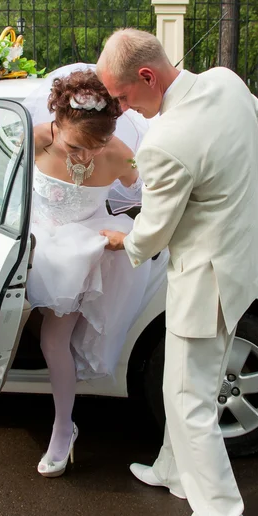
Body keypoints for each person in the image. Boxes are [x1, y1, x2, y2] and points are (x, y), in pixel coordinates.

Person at [96, 29, 258, 516]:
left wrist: (124, 241)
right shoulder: (226, 82)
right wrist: (229, 189)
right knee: (182, 386)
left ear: (147, 77)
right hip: (238, 264)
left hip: (206, 280)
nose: (122, 110)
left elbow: (154, 233)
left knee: (189, 402)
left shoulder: (164, 140)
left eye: (122, 98)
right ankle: (173, 469)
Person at [24, 67, 164, 478]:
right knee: (29, 325)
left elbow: (154, 191)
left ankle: (63, 428)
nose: (84, 157)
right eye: (75, 146)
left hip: (80, 251)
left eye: (96, 145)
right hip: (35, 243)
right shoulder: (34, 138)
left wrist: (130, 236)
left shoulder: (121, 154)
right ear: (56, 123)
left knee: (54, 339)